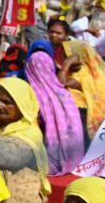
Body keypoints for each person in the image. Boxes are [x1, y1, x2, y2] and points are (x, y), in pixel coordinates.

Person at [23, 47, 84, 175]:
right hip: (74, 156)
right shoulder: (64, 93)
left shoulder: (31, 96)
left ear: (30, 69)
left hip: (46, 159)